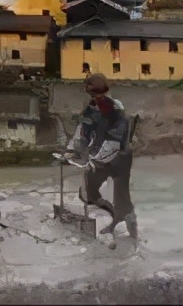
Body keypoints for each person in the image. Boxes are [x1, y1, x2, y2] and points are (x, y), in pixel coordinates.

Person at [63, 72, 137, 239]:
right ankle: (114, 214)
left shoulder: (115, 108)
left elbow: (115, 139)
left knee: (122, 196)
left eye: (98, 93)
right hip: (98, 157)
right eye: (92, 94)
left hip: (119, 157)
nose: (96, 97)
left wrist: (93, 156)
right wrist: (71, 151)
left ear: (104, 91)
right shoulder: (91, 109)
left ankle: (134, 235)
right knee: (89, 193)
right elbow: (82, 133)